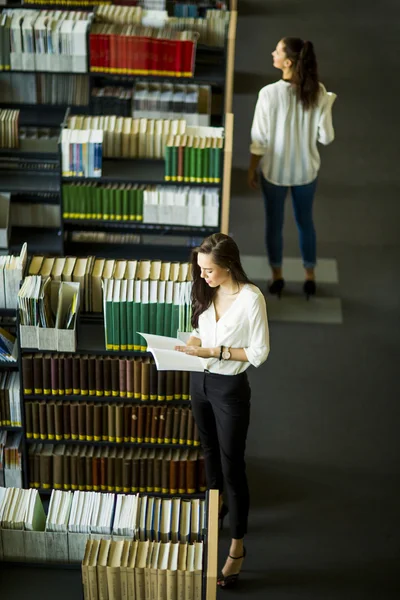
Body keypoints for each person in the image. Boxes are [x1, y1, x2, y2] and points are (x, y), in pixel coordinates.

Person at [175, 233, 270, 589]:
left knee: (233, 465)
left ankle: (237, 545)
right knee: (208, 452)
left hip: (229, 389)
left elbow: (260, 352)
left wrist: (217, 352)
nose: (203, 277)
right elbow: (200, 330)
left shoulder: (251, 300)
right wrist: (192, 345)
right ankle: (217, 509)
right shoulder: (205, 290)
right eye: (200, 270)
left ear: (228, 265)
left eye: (209, 270)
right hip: (198, 382)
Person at [248, 37, 337, 299]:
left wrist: (252, 169)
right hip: (306, 172)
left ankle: (277, 277)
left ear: (287, 62)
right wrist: (328, 104)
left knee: (273, 225)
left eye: (276, 51)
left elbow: (259, 140)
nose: (272, 53)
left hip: (274, 172)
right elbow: (326, 137)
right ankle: (310, 276)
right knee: (305, 223)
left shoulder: (268, 94)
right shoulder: (318, 91)